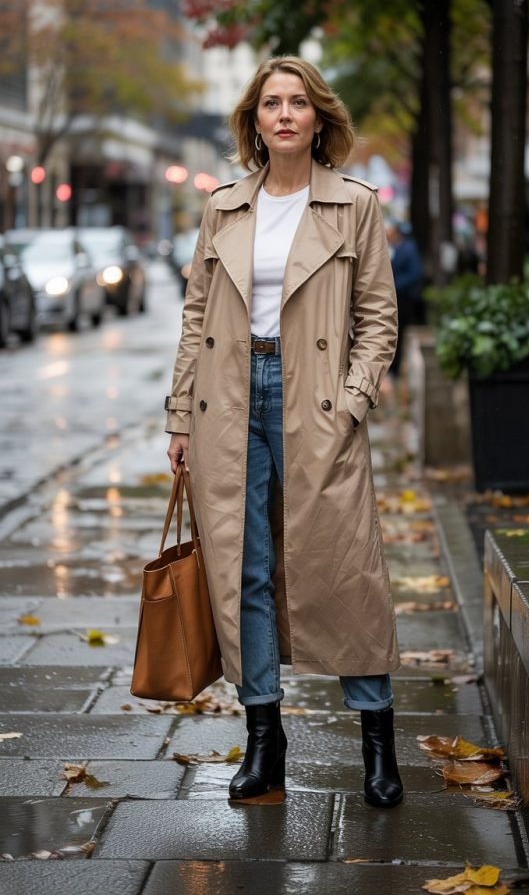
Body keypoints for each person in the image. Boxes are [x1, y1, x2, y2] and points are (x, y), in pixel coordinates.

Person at [165, 55, 402, 809]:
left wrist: (351, 400)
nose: (285, 114)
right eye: (272, 103)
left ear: (319, 117)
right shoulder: (224, 206)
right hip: (229, 403)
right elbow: (196, 317)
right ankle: (264, 743)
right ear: (255, 121)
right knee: (246, 572)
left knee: (345, 569)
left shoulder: (353, 205)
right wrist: (178, 416)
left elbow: (378, 318)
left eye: (299, 102)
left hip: (316, 401)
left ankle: (377, 742)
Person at [385, 220, 423, 377]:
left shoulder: (408, 249)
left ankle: (395, 367)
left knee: (398, 333)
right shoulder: (391, 247)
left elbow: (415, 273)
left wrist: (396, 285)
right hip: (392, 296)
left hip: (403, 298)